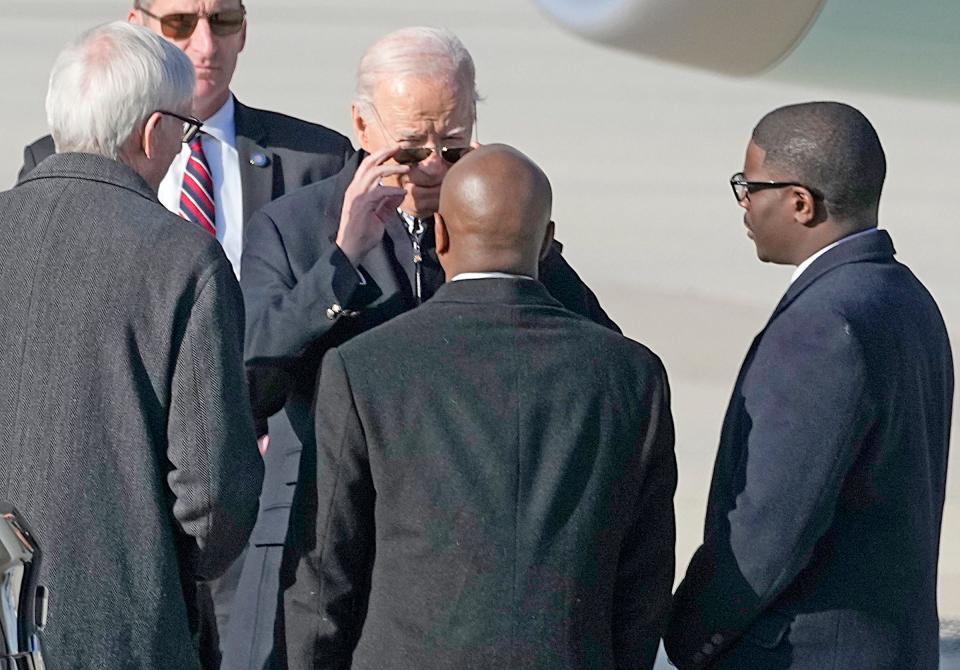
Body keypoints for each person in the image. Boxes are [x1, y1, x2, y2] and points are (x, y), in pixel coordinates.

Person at [227, 27, 620, 669]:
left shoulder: (493, 216)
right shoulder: (294, 226)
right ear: (361, 125)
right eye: (409, 152)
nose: (434, 168)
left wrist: (525, 239)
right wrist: (340, 263)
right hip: (318, 531)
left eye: (454, 146)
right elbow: (248, 383)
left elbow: (601, 357)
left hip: (452, 553)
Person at [283, 143, 676, 670]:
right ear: (548, 243)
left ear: (440, 236)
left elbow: (326, 566)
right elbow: (644, 576)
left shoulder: (364, 368)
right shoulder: (631, 374)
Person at [0, 22, 263, 669]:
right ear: (151, 132)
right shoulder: (183, 261)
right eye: (182, 126)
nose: (182, 143)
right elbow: (215, 497)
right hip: (123, 631)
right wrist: (154, 565)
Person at [664, 102, 953, 669]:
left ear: (800, 202)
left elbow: (767, 528)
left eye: (750, 186)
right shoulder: (909, 299)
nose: (744, 203)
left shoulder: (822, 325)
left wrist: (691, 635)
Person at [18, 0, 354, 278]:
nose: (206, 46)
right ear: (137, 27)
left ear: (244, 32)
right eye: (179, 23)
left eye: (224, 21)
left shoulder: (318, 160)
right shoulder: (60, 158)